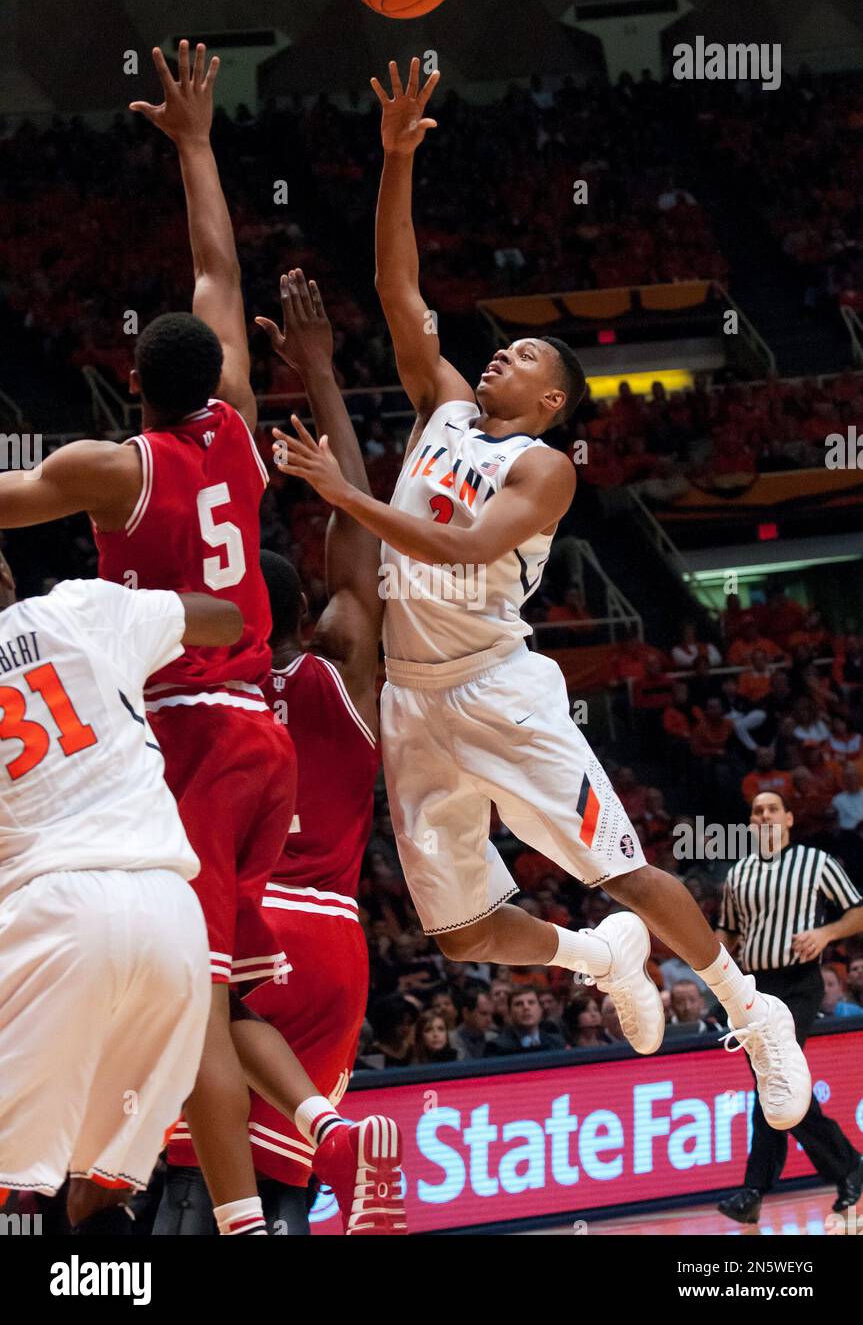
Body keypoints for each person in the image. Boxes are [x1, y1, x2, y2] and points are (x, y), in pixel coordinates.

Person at [275, 56, 813, 1138]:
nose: (496, 357)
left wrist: (343, 492)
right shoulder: (442, 405)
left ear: (553, 399)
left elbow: (459, 542)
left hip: (497, 692)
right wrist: (392, 163)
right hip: (414, 706)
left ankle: (754, 1016)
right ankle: (593, 958)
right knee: (464, 934)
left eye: (518, 354)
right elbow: (396, 292)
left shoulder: (545, 469)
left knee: (624, 869)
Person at [0, 46, 389, 1237]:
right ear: (212, 375)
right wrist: (195, 143)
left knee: (206, 1011)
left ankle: (231, 1224)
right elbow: (218, 265)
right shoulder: (236, 430)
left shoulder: (112, 470)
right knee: (214, 988)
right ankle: (319, 1130)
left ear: (127, 376)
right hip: (259, 731)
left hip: (180, 746)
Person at [154, 271, 405, 1236]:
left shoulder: (205, 690)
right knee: (285, 1187)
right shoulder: (340, 672)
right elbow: (357, 534)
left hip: (236, 940)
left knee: (198, 1187)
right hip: (333, 943)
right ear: (309, 614)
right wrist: (324, 376)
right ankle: (332, 1142)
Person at [0, 557, 239, 1233]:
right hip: (170, 917)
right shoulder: (81, 609)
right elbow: (225, 619)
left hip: (52, 916)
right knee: (101, 1184)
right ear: (9, 572)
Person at [716, 790, 863, 1224]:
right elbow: (726, 933)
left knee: (776, 1076)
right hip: (755, 987)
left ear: (789, 818)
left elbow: (857, 911)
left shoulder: (816, 862)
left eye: (772, 809)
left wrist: (826, 934)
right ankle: (848, 1163)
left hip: (799, 984)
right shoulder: (738, 873)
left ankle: (753, 1190)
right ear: (750, 822)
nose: (764, 815)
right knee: (774, 1084)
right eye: (757, 810)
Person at [494, 987, 566, 1055]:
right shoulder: (497, 1047)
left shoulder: (557, 1042)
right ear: (510, 1013)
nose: (526, 1007)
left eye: (531, 1002)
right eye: (518, 1004)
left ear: (540, 1010)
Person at [452, 981, 497, 1061]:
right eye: (483, 1014)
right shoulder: (449, 1041)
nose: (489, 1020)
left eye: (491, 1014)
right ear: (466, 1013)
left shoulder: (495, 1038)